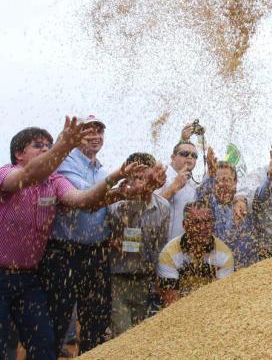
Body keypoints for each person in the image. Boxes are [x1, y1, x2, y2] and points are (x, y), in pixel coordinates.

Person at [0, 118, 149, 359]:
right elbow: (27, 174)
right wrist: (64, 146)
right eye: (38, 146)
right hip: (3, 274)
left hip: (29, 279)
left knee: (44, 344)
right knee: (5, 345)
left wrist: (116, 185)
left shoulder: (55, 182)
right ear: (18, 153)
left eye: (49, 145)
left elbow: (84, 201)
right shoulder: (7, 172)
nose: (46, 149)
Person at [40, 115, 165, 355]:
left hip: (96, 253)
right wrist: (118, 182)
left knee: (96, 322)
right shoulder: (64, 163)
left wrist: (137, 191)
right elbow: (86, 201)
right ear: (75, 136)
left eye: (100, 131)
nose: (96, 136)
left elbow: (103, 205)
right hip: (65, 252)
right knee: (58, 319)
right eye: (89, 130)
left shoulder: (100, 170)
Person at [107, 152, 170, 336]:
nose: (140, 183)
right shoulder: (116, 205)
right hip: (118, 279)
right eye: (135, 177)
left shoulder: (163, 207)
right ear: (126, 178)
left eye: (145, 177)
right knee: (122, 333)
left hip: (145, 280)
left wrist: (159, 279)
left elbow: (161, 247)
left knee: (141, 335)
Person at [157, 201, 234, 307]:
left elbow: (223, 299)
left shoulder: (224, 255)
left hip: (212, 311)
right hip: (178, 313)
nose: (202, 227)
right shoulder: (169, 254)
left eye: (207, 221)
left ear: (213, 224)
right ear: (185, 225)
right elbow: (171, 304)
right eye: (196, 222)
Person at [197, 149, 260, 269]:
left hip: (246, 271)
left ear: (235, 182)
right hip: (217, 273)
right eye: (217, 181)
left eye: (226, 180)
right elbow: (202, 195)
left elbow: (261, 192)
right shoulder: (208, 206)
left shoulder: (247, 203)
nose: (222, 184)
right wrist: (210, 173)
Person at [156, 124, 200, 242]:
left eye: (194, 155)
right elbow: (151, 208)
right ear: (173, 157)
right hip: (157, 247)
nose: (190, 157)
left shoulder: (194, 184)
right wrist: (174, 187)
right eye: (185, 154)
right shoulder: (161, 175)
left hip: (182, 249)